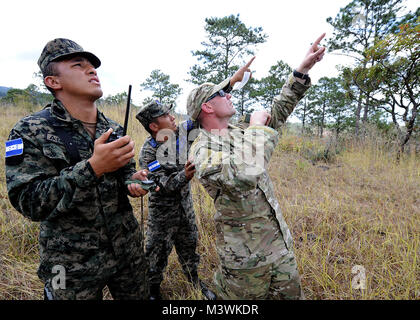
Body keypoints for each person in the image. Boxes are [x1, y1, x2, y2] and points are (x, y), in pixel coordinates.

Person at [5, 38, 153, 300]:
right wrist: (93, 168)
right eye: (78, 65)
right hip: (69, 262)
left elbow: (123, 177)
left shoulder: (114, 129)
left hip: (126, 250)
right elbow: (28, 201)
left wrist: (133, 181)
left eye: (93, 66)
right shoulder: (29, 130)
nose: (92, 70)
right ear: (53, 81)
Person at [187, 34, 326, 299]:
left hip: (279, 247)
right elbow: (243, 173)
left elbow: (280, 109)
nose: (229, 94)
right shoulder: (201, 149)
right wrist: (258, 128)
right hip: (245, 262)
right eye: (222, 93)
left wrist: (302, 70)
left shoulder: (241, 132)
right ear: (206, 106)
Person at [136, 101, 216, 300]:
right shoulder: (149, 152)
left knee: (189, 246)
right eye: (166, 115)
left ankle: (194, 281)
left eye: (171, 113)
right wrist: (185, 176)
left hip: (185, 209)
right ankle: (153, 290)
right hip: (162, 214)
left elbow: (200, 114)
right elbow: (158, 184)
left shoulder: (182, 131)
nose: (172, 117)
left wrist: (229, 85)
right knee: (156, 253)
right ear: (154, 126)